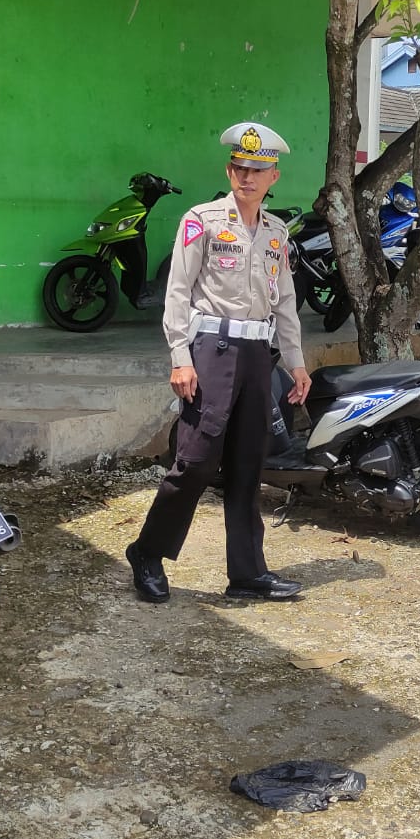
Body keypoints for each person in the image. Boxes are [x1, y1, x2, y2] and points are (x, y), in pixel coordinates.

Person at [126, 122, 312, 604]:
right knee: (194, 461)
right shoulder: (202, 220)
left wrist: (295, 363)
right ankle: (148, 552)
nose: (247, 177)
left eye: (258, 170)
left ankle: (248, 572)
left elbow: (285, 301)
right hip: (212, 352)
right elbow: (178, 292)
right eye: (240, 168)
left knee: (251, 463)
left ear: (274, 176)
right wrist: (179, 357)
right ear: (230, 170)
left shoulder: (276, 232)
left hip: (258, 356)